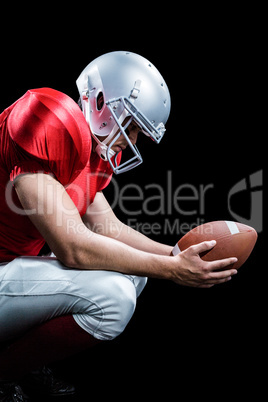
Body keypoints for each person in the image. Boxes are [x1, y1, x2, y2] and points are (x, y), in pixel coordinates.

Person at [0, 51, 238, 400]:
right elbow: (73, 247)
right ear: (100, 103)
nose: (133, 140)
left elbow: (108, 229)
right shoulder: (49, 119)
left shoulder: (88, 153)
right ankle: (5, 372)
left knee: (132, 272)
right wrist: (172, 270)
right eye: (132, 126)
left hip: (10, 271)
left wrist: (180, 254)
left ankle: (23, 356)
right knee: (115, 297)